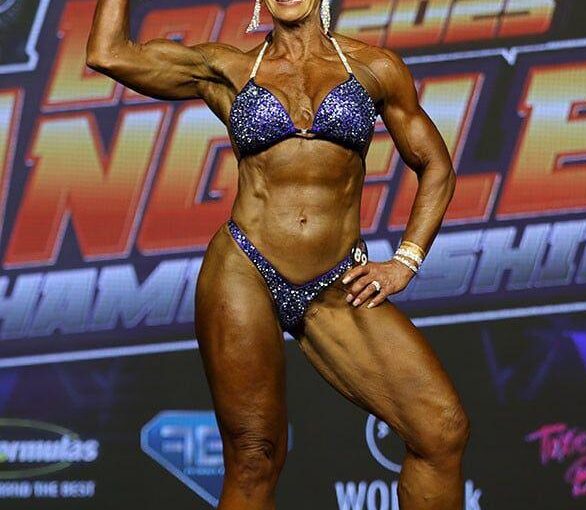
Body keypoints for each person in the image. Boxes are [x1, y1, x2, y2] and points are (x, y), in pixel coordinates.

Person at [86, 1, 469, 509]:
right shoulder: (229, 69)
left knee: (440, 428)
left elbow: (435, 166)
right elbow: (109, 54)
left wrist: (406, 260)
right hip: (245, 270)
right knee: (255, 456)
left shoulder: (375, 68)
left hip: (335, 282)